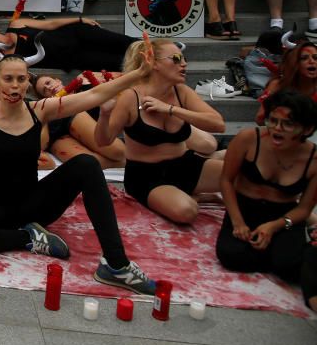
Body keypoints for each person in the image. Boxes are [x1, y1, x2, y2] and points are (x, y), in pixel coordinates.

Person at [0, 33, 157, 294]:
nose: (15, 85)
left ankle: (116, 264)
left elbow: (95, 94)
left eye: (21, 79)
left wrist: (138, 73)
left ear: (28, 82)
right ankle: (28, 238)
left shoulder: (40, 109)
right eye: (8, 79)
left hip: (34, 204)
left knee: (86, 164)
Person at [99, 40, 225, 224]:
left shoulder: (181, 91)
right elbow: (103, 141)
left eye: (183, 58)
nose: (184, 64)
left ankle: (190, 193)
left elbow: (218, 124)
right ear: (154, 63)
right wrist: (104, 115)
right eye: (175, 59)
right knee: (187, 211)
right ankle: (191, 196)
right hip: (147, 176)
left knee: (243, 175)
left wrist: (170, 109)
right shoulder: (131, 97)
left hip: (184, 165)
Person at [216, 90, 317, 312]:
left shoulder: (313, 158)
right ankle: (274, 253)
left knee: (288, 267)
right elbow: (226, 181)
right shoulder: (248, 139)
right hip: (245, 207)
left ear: (306, 129)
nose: (277, 129)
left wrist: (274, 227)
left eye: (287, 124)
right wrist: (237, 221)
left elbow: (304, 208)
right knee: (230, 255)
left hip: (283, 215)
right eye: (273, 121)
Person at [0, 17, 136, 72]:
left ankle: (157, 49)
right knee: (120, 63)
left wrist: (79, 19)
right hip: (73, 58)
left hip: (76, 34)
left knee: (125, 43)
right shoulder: (2, 56)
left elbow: (50, 24)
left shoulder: (16, 24)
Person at [32, 74, 125, 169]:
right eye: (44, 90)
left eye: (48, 83)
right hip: (57, 131)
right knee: (87, 163)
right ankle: (122, 163)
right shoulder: (47, 109)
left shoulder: (86, 87)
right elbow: (43, 144)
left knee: (118, 152)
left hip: (75, 116)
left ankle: (123, 161)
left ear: (58, 80)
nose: (49, 87)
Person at [256, 40, 317, 123]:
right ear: (293, 63)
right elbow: (260, 118)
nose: (312, 61)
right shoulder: (278, 85)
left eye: (316, 57)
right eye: (304, 58)